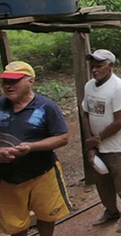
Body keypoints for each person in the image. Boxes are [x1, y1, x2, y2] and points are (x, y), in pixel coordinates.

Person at [0, 61, 70, 236]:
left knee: (47, 214)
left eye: (14, 81)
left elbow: (62, 138)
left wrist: (31, 147)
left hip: (43, 173)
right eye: (5, 81)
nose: (8, 86)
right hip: (7, 178)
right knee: (15, 224)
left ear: (30, 81)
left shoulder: (46, 107)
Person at [82, 50, 121, 233]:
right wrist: (91, 142)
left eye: (99, 65)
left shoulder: (118, 87)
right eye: (93, 66)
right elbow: (86, 113)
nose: (94, 69)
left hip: (115, 145)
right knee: (102, 182)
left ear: (111, 65)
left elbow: (119, 121)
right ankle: (111, 210)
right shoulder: (89, 86)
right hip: (97, 144)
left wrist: (98, 138)